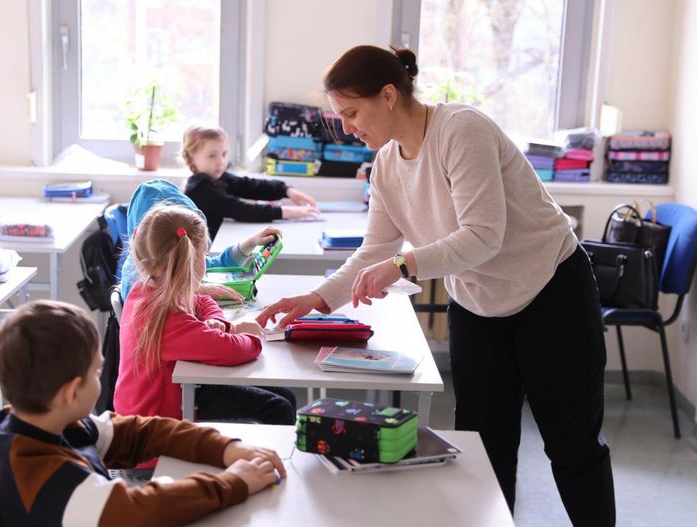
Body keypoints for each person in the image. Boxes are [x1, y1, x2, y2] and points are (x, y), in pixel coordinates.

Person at [256, 45, 615, 526]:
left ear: (388, 95)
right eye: (339, 116)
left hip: (551, 290)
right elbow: (375, 250)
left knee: (571, 445)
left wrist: (403, 265)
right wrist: (317, 298)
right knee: (484, 447)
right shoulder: (386, 165)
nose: (346, 127)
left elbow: (484, 235)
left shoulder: (461, 130)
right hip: (478, 303)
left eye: (351, 113)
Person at [0, 299, 285, 526]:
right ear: (72, 393)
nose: (102, 377)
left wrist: (227, 448)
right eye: (97, 372)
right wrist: (235, 483)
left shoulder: (46, 423)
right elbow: (143, 511)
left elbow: (142, 432)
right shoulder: (47, 478)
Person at [115, 203, 296, 426]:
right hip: (156, 428)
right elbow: (233, 350)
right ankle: (265, 461)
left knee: (285, 396)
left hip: (164, 401)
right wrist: (248, 334)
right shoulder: (167, 319)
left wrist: (217, 321)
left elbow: (202, 300)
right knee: (279, 407)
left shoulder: (144, 290)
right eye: (204, 254)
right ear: (191, 261)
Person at [119, 178, 280, 303]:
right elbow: (158, 309)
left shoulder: (177, 258)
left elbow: (218, 264)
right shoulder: (137, 284)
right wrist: (197, 290)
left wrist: (250, 243)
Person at [182, 124, 319, 239]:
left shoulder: (217, 178)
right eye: (212, 155)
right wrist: (289, 211)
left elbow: (250, 186)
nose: (221, 162)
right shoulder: (200, 190)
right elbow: (242, 210)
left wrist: (286, 190)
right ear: (192, 157)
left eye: (223, 154)